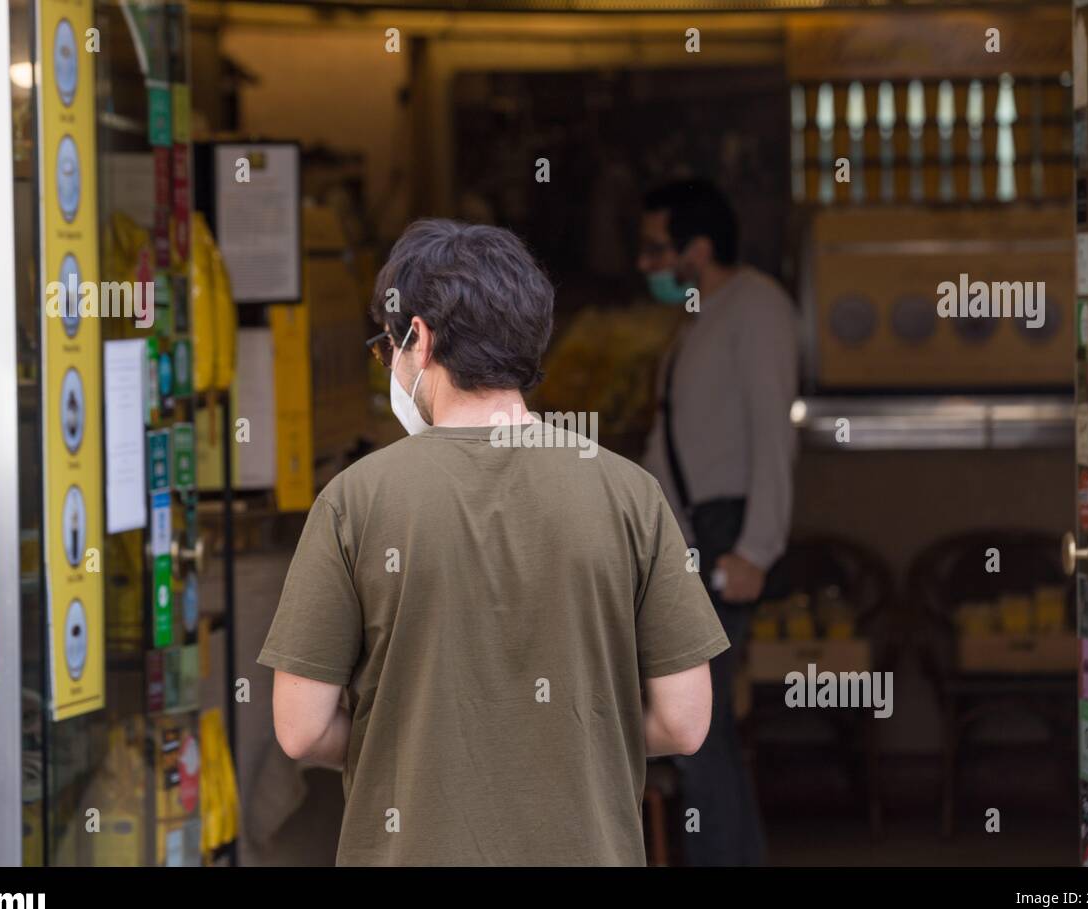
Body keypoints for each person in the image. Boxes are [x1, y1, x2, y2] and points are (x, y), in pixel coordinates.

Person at [259, 218, 730, 866]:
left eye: (385, 347)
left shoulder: (355, 501)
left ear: (417, 339)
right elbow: (684, 720)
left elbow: (300, 727)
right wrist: (568, 739)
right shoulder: (630, 495)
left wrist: (417, 748)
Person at [638, 179, 800, 866]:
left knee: (695, 729)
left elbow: (773, 430)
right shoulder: (704, 318)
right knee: (704, 733)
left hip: (727, 535)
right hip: (693, 536)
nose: (646, 265)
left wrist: (758, 547)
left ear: (697, 250)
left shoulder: (755, 307)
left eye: (656, 249)